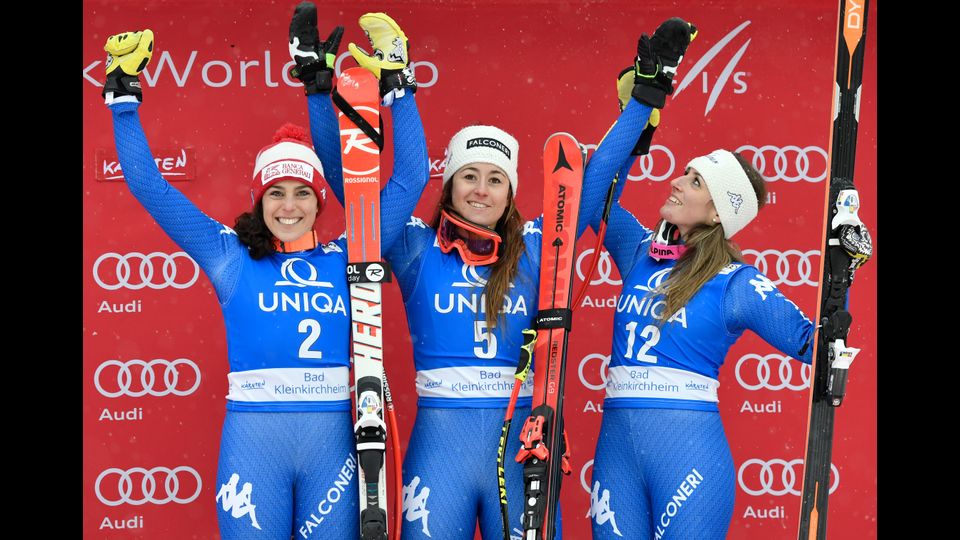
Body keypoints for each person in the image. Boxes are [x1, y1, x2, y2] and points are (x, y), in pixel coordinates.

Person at [307, 12, 696, 540]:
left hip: (519, 448)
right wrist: (318, 90)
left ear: (510, 193)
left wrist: (646, 98)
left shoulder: (539, 246)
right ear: (449, 185)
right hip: (439, 449)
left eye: (495, 180)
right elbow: (351, 185)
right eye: (469, 176)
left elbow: (593, 177)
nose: (480, 190)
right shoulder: (415, 246)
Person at [99, 10, 428, 538]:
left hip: (333, 449)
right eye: (276, 192)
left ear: (321, 200)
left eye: (303, 193)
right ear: (259, 198)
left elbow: (411, 177)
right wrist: (123, 96)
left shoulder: (351, 254)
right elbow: (149, 186)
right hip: (254, 446)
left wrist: (398, 84)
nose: (289, 206)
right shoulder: (230, 256)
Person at [586, 19, 837, 540]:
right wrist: (642, 109)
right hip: (617, 456)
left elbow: (820, 345)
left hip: (691, 462)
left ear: (720, 212)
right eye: (684, 172)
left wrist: (844, 271)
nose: (676, 181)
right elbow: (593, 194)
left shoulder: (736, 283)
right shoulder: (638, 251)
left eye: (695, 181)